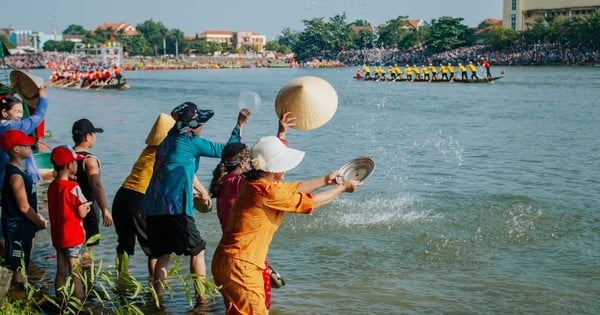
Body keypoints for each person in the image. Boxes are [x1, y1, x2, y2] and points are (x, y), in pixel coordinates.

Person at [211, 136, 362, 315]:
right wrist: (342, 188)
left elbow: (293, 189)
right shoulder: (267, 192)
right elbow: (312, 203)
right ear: (275, 168)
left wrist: (325, 180)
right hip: (241, 268)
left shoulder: (253, 183)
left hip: (225, 261)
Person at [144, 102, 250, 304]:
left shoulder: (166, 142)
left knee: (163, 254)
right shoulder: (189, 141)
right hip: (175, 207)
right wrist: (239, 126)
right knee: (197, 250)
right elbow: (228, 151)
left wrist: (200, 190)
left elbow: (180, 170)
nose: (203, 127)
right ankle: (202, 300)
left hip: (152, 205)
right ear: (193, 125)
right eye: (200, 123)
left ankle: (157, 301)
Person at [209, 112, 295, 312]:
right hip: (245, 258)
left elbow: (235, 148)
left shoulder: (223, 182)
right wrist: (281, 134)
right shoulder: (243, 185)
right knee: (259, 307)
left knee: (234, 308)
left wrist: (240, 125)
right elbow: (273, 168)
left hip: (228, 255)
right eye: (250, 160)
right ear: (243, 163)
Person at [112, 113, 175, 278]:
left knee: (124, 244)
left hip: (122, 196)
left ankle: (122, 279)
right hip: (139, 199)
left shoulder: (147, 151)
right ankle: (154, 286)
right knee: (154, 248)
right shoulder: (165, 153)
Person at [0, 130, 48, 285]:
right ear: (15, 149)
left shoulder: (23, 171)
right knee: (18, 267)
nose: (30, 146)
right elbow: (23, 207)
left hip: (24, 227)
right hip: (16, 229)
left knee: (24, 262)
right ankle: (19, 294)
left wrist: (36, 219)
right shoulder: (16, 176)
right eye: (25, 144)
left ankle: (22, 291)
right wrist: (38, 221)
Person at [47, 145, 91, 300]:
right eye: (74, 163)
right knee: (76, 274)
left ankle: (60, 299)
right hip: (73, 237)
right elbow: (81, 211)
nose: (76, 165)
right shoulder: (74, 187)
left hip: (58, 237)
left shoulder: (52, 186)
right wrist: (87, 208)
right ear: (69, 165)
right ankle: (79, 303)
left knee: (61, 271)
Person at [72, 118, 113, 264]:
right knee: (87, 249)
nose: (94, 138)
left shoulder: (66, 156)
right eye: (94, 134)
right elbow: (96, 185)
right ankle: (85, 281)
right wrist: (105, 210)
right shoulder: (89, 160)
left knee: (71, 247)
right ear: (88, 136)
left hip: (69, 206)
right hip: (87, 207)